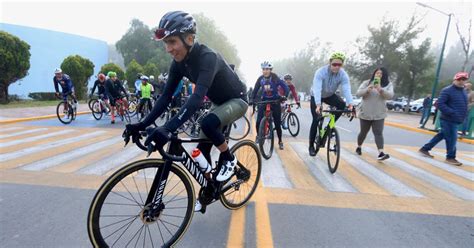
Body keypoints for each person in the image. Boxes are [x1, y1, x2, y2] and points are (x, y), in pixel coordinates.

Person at [125, 11, 248, 213]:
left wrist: (168, 127)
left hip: (237, 99)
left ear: (189, 38)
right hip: (219, 102)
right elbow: (165, 98)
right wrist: (141, 125)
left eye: (172, 42)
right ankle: (211, 188)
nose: (168, 49)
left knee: (207, 123)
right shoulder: (178, 64)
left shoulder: (208, 57)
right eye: (165, 43)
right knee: (202, 152)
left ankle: (229, 159)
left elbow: (196, 98)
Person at [419, 72, 469, 166]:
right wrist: (451, 112)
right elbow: (439, 104)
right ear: (454, 79)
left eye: (463, 79)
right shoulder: (447, 90)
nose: (461, 81)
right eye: (459, 79)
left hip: (456, 119)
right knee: (452, 138)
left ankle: (425, 149)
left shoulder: (463, 91)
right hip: (448, 119)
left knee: (442, 135)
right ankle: (450, 157)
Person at [309, 52, 353, 156]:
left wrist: (350, 104)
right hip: (316, 95)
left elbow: (346, 89)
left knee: (342, 105)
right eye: (334, 64)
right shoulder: (321, 72)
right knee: (315, 120)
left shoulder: (343, 74)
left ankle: (329, 127)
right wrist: (318, 105)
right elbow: (317, 88)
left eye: (339, 65)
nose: (336, 67)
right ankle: (311, 146)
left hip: (329, 95)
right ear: (330, 63)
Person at [355, 67, 394, 160]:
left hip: (379, 114)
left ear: (384, 75)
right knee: (363, 132)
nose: (379, 75)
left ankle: (381, 152)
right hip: (366, 113)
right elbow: (358, 93)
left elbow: (390, 95)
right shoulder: (367, 82)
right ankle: (359, 146)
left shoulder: (388, 84)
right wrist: (367, 90)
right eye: (377, 73)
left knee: (378, 133)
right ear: (374, 74)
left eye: (381, 74)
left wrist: (380, 89)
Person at [251, 61, 289, 150]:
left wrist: (284, 96)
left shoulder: (276, 78)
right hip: (264, 101)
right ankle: (259, 136)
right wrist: (252, 99)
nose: (265, 71)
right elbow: (255, 90)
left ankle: (280, 141)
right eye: (263, 69)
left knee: (277, 123)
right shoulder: (260, 79)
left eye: (267, 69)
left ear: (270, 70)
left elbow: (285, 87)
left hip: (275, 101)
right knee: (258, 122)